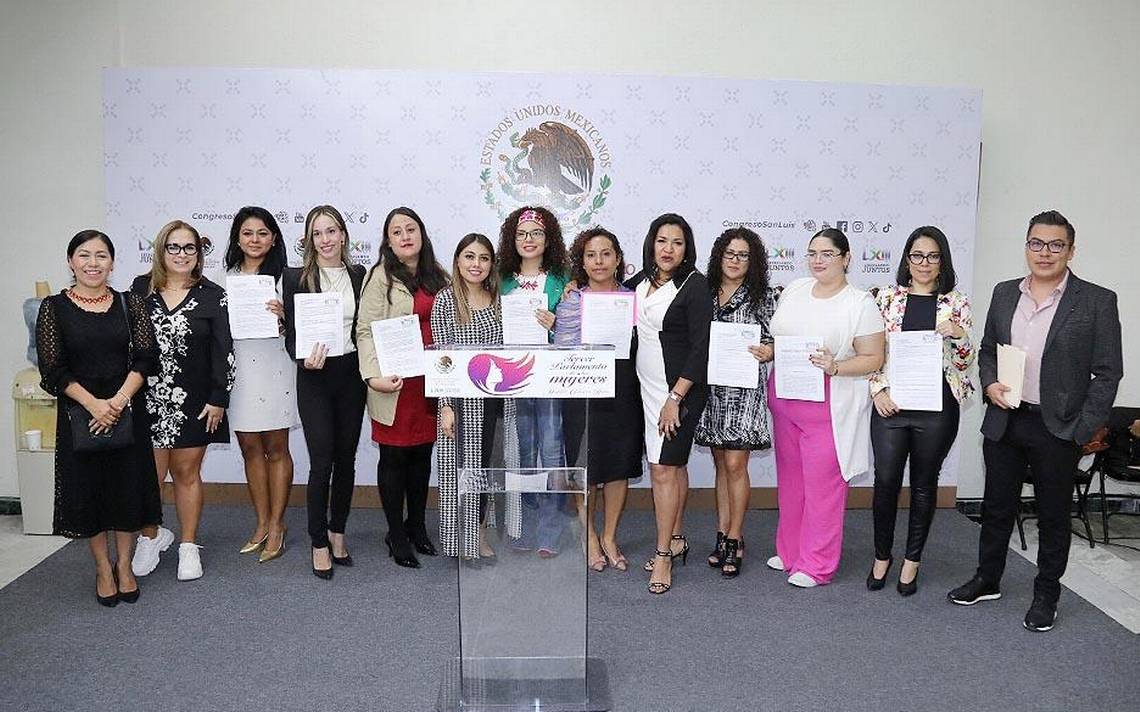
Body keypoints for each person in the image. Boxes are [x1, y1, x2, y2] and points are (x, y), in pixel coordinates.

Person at [948, 210, 1122, 632]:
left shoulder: (1097, 300)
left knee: (1052, 514)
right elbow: (988, 348)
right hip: (1006, 420)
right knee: (996, 507)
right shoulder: (1005, 292)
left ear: (1071, 250)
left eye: (1056, 245)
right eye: (1036, 243)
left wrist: (1082, 429)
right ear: (1026, 246)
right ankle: (988, 579)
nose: (1045, 253)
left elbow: (1108, 372)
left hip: (1058, 427)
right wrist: (988, 384)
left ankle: (1047, 593)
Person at [36, 230, 162, 606]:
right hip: (80, 414)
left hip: (127, 409)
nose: (93, 263)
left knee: (126, 492)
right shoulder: (54, 308)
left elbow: (146, 358)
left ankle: (124, 566)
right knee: (88, 494)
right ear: (71, 261)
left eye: (102, 256)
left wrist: (119, 401)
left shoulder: (130, 303)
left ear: (112, 262)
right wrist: (94, 404)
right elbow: (52, 370)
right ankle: (103, 567)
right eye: (85, 255)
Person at [766, 228, 885, 588]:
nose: (818, 260)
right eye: (813, 252)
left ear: (846, 258)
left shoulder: (859, 303)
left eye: (828, 253)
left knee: (824, 488)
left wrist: (836, 367)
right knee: (791, 483)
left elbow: (873, 357)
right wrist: (768, 351)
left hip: (828, 408)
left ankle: (817, 564)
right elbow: (782, 338)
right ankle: (789, 551)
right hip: (785, 400)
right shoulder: (795, 289)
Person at [867, 226, 974, 595]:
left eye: (932, 256)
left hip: (937, 407)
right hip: (892, 407)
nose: (924, 263)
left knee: (925, 484)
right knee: (885, 483)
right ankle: (882, 556)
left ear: (942, 260)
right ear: (906, 259)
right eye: (917, 255)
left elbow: (964, 364)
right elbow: (872, 353)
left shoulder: (956, 302)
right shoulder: (886, 299)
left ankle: (912, 560)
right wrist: (877, 389)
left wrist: (958, 335)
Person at [130, 220, 235, 582]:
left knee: (187, 474)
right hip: (147, 400)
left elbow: (224, 351)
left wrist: (219, 397)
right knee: (150, 477)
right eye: (173, 247)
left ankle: (188, 545)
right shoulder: (139, 290)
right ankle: (151, 537)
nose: (182, 254)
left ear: (199, 254)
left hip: (196, 402)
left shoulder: (213, 294)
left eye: (189, 248)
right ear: (161, 251)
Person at [357, 207, 449, 569]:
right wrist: (372, 377)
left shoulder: (438, 276)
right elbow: (365, 331)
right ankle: (395, 533)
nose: (405, 236)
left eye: (411, 229)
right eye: (397, 232)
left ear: (421, 234)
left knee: (422, 458)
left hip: (430, 383)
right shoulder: (379, 277)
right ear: (388, 240)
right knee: (394, 458)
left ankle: (416, 526)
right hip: (392, 384)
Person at [628, 213, 712, 594]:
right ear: (651, 243)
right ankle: (676, 538)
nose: (668, 249)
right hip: (643, 389)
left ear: (687, 249)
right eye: (662, 241)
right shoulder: (640, 282)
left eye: (677, 242)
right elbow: (606, 298)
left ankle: (663, 556)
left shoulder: (695, 286)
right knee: (673, 468)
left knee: (663, 469)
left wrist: (675, 399)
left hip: (678, 393)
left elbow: (700, 349)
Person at [282, 205, 367, 580]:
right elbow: (292, 337)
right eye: (318, 233)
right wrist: (303, 362)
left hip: (350, 374)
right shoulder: (295, 276)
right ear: (309, 239)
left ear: (344, 235)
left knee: (346, 459)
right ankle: (318, 540)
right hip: (314, 377)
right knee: (321, 462)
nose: (326, 239)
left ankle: (338, 531)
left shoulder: (359, 274)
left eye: (332, 231)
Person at [554, 227, 643, 572]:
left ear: (618, 259)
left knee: (619, 467)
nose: (599, 261)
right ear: (583, 261)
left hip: (623, 392)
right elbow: (561, 350)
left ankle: (609, 536)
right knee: (586, 468)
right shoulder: (572, 300)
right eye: (591, 255)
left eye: (606, 253)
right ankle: (589, 536)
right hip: (582, 391)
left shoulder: (634, 298)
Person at [695, 227, 778, 578]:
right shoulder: (704, 291)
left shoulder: (763, 296)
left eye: (743, 255)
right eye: (730, 254)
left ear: (753, 260)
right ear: (719, 256)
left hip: (744, 392)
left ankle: (736, 536)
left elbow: (777, 341)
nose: (735, 260)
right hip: (711, 391)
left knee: (735, 465)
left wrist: (768, 351)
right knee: (719, 464)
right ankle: (721, 531)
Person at [431, 234, 513, 560]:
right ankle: (456, 540)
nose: (476, 264)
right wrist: (446, 406)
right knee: (456, 471)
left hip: (493, 400)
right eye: (469, 257)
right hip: (458, 400)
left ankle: (478, 533)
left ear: (491, 264)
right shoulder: (445, 300)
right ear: (458, 261)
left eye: (483, 258)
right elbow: (441, 358)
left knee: (483, 469)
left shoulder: (499, 301)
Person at [497, 206, 571, 557]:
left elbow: (574, 331)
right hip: (513, 378)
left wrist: (555, 323)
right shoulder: (500, 279)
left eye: (536, 233)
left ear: (548, 239)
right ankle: (525, 527)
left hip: (550, 378)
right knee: (523, 453)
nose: (529, 240)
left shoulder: (563, 278)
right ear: (513, 240)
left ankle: (552, 531)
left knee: (553, 451)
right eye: (522, 234)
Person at [223, 207, 296, 563]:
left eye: (263, 233)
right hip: (240, 371)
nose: (255, 240)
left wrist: (286, 316)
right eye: (248, 233)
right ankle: (262, 522)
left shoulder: (288, 277)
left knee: (276, 447)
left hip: (276, 365)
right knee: (250, 447)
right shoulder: (226, 278)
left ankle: (278, 524)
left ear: (274, 238)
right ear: (238, 238)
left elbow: (305, 328)